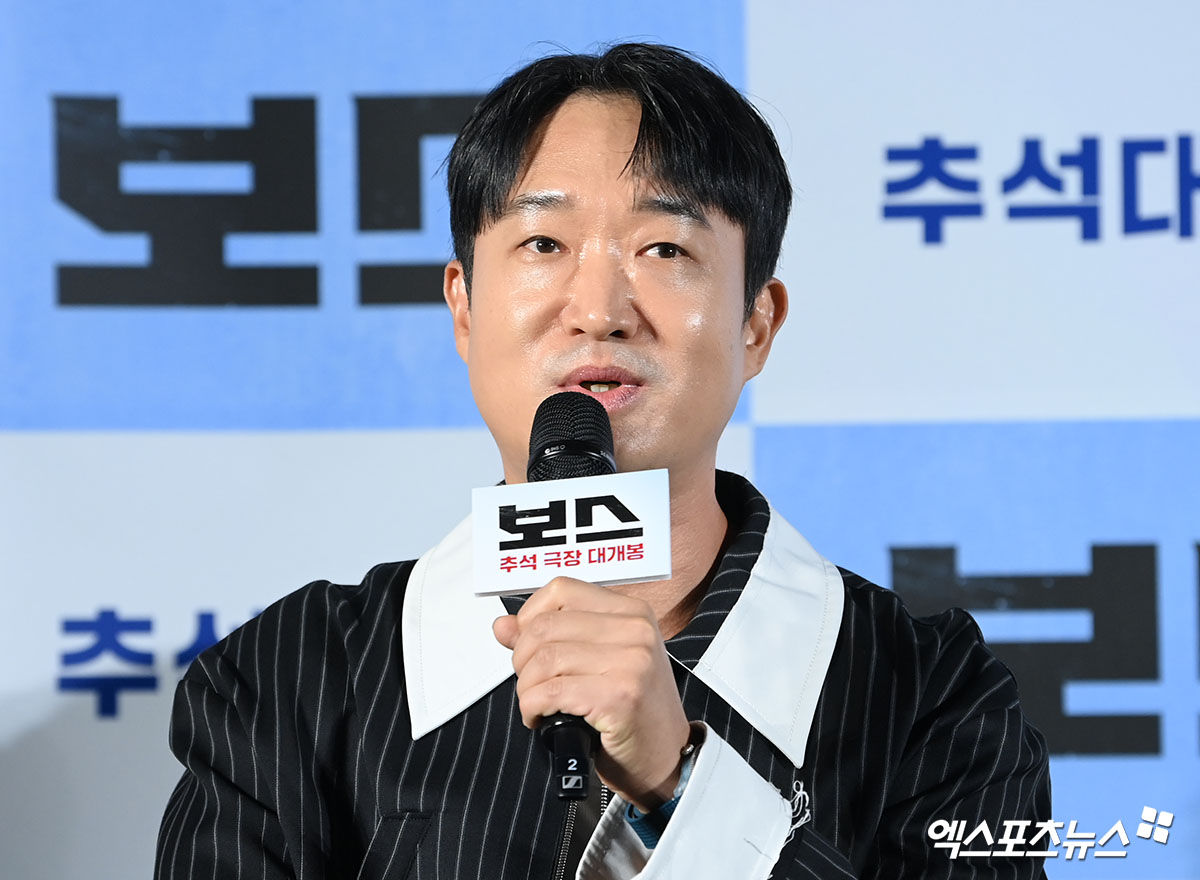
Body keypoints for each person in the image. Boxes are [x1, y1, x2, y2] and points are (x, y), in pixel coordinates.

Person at [155, 43, 1050, 879]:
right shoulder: (291, 679)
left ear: (756, 324)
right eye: (543, 244)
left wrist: (676, 784)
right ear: (463, 308)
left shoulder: (931, 693)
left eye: (665, 248)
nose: (598, 310)